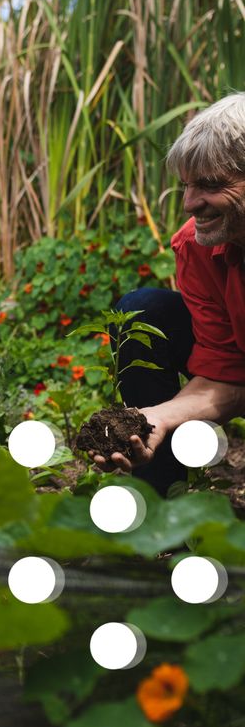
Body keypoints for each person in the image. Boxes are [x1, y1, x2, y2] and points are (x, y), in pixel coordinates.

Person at [95, 92, 245, 494]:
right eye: (186, 186)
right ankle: (160, 500)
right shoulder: (197, 246)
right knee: (143, 311)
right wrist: (154, 420)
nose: (189, 204)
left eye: (211, 185)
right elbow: (226, 374)